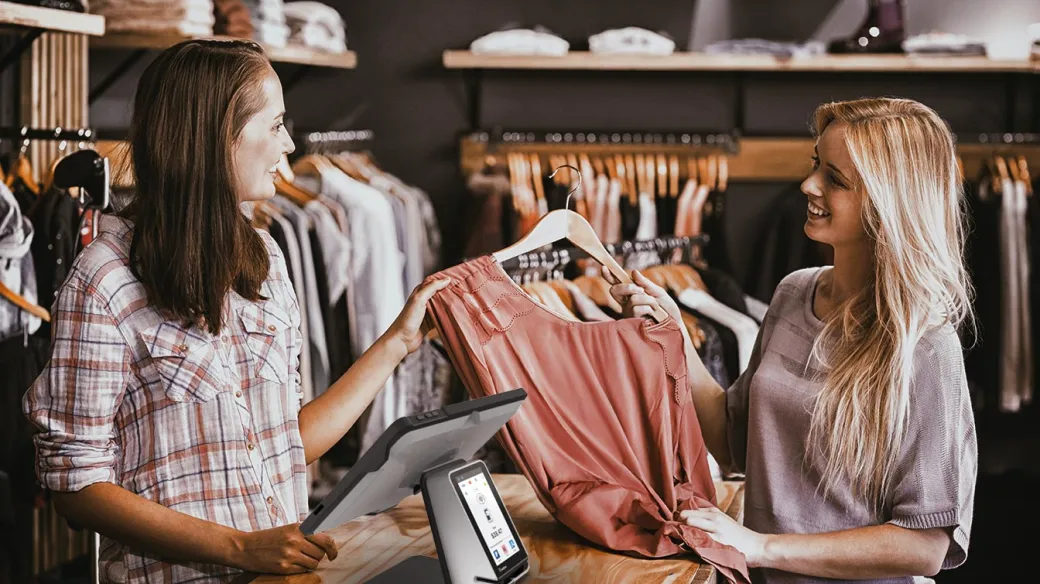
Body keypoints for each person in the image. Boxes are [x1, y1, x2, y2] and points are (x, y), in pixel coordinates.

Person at [22, 39, 449, 583]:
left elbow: (287, 441)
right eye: (275, 126)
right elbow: (76, 489)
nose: (289, 144)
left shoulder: (265, 258)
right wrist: (239, 548)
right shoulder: (103, 282)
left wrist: (398, 342)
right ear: (216, 134)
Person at [612, 97, 977, 583]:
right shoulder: (793, 292)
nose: (808, 185)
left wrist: (761, 547)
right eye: (815, 165)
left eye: (835, 179)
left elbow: (925, 545)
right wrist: (674, 335)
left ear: (891, 202)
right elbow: (731, 441)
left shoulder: (926, 346)